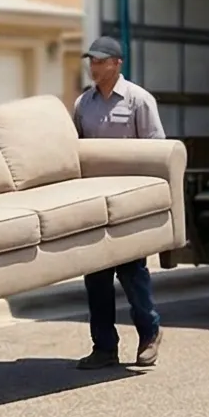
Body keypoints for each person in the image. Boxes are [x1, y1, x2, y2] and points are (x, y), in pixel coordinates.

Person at [72, 36, 164, 370]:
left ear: (117, 63)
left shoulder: (139, 101)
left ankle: (150, 333)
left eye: (100, 61)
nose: (94, 67)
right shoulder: (84, 104)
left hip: (129, 201)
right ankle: (104, 348)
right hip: (96, 200)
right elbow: (77, 151)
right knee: (96, 278)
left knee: (132, 272)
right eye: (91, 61)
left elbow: (157, 154)